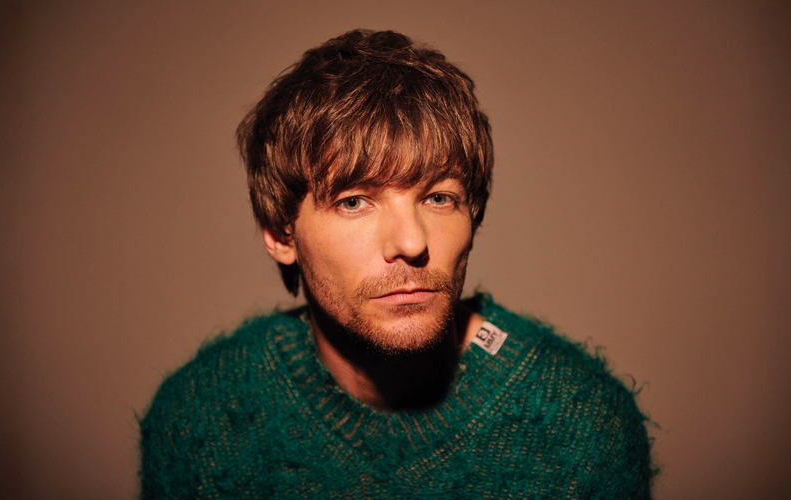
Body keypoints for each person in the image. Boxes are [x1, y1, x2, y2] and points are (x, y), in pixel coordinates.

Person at [139, 29, 655, 498]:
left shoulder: (581, 426)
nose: (411, 242)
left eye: (439, 198)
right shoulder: (202, 420)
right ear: (280, 234)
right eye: (354, 202)